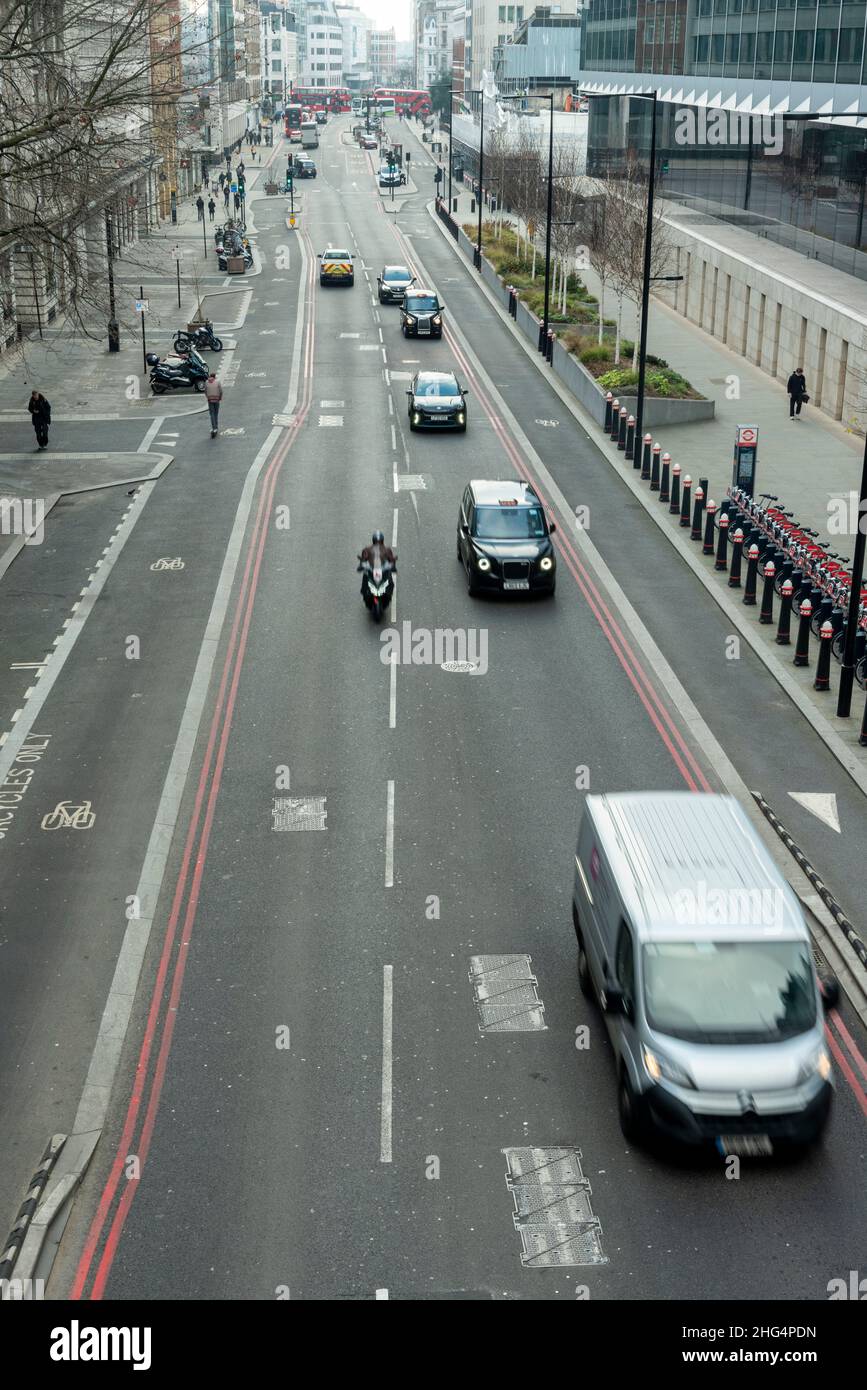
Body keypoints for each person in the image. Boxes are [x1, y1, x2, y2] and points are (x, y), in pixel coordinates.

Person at [358, 531, 397, 595]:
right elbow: (363, 559)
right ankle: (364, 590)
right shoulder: (367, 549)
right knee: (365, 575)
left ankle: (389, 592)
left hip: (382, 569)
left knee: (389, 577)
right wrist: (361, 565)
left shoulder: (387, 549)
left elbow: (391, 560)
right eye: (377, 541)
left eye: (379, 541)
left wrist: (393, 566)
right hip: (371, 569)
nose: (378, 543)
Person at [205, 373, 223, 438]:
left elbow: (205, 391)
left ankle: (214, 427)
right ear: (215, 377)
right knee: (216, 413)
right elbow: (221, 391)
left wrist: (208, 397)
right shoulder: (218, 382)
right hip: (216, 399)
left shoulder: (206, 382)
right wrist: (220, 397)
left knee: (212, 414)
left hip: (210, 400)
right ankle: (216, 427)